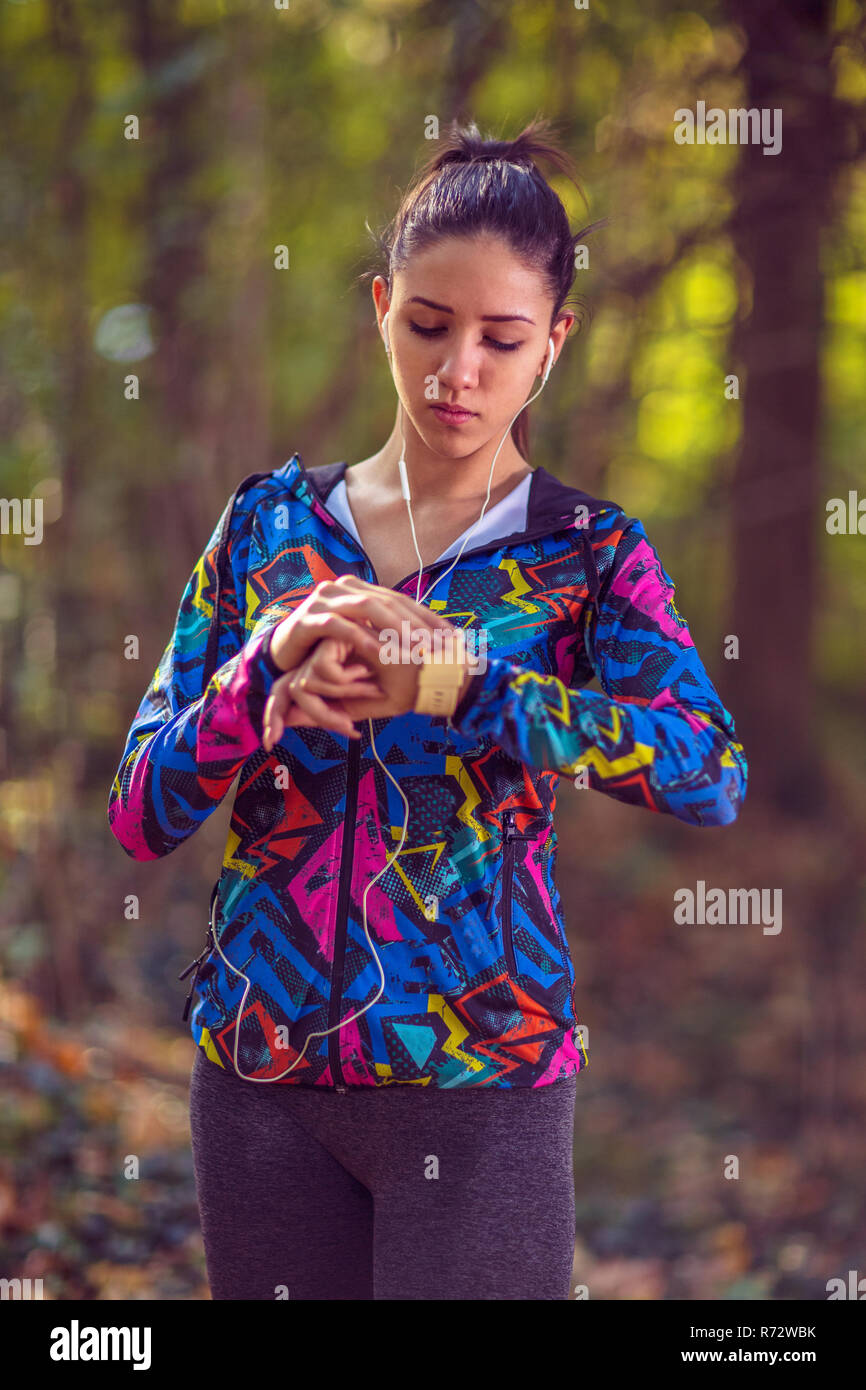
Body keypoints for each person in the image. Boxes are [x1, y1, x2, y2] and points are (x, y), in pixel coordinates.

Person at [108, 117, 748, 1301]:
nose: (458, 370)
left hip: (482, 1083)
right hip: (260, 1074)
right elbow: (140, 811)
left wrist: (467, 682)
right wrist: (261, 686)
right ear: (377, 306)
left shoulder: (586, 554)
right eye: (427, 324)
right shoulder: (267, 527)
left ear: (552, 343)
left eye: (501, 339)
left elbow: (705, 770)